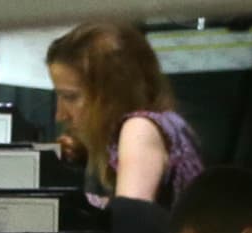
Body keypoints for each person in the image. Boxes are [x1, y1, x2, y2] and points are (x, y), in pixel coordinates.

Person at [45, 22, 203, 208]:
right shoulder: (162, 123)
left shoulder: (139, 129)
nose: (61, 115)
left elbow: (129, 223)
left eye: (70, 97)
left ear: (113, 93)